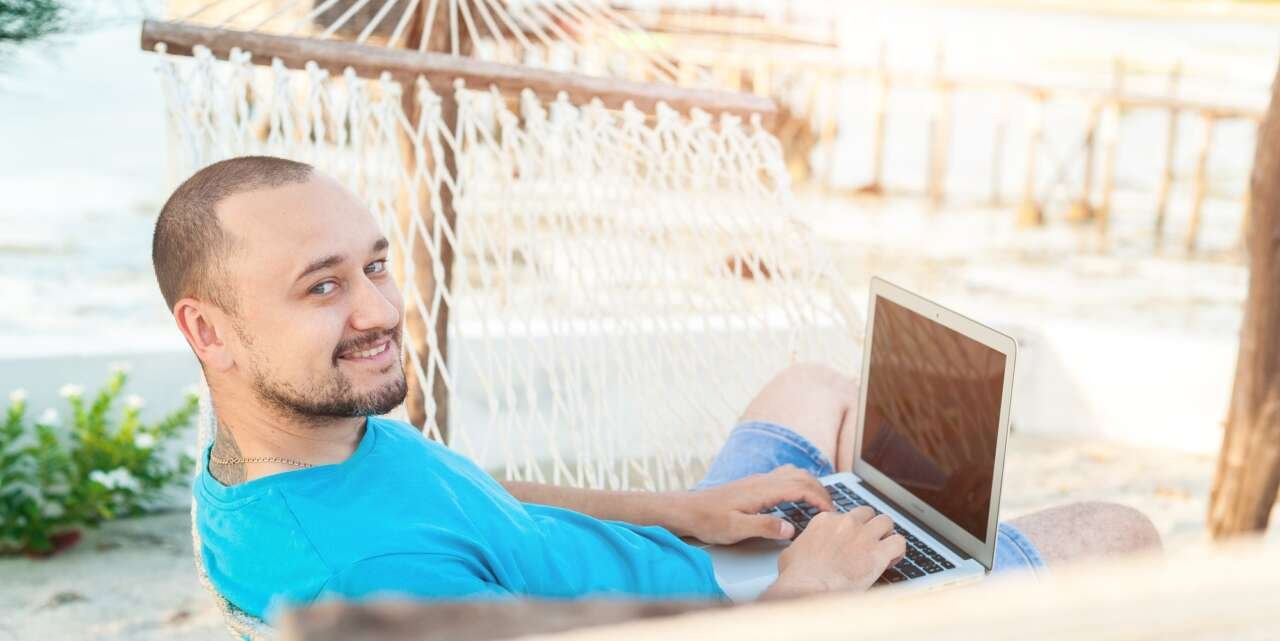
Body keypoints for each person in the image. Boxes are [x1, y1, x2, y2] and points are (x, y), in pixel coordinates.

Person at [152, 156, 1161, 622]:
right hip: (746, 605)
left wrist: (683, 506)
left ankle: (915, 544)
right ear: (209, 330)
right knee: (1115, 534)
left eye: (374, 263)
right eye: (321, 285)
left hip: (683, 555)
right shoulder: (365, 583)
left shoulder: (297, 443)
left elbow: (477, 497)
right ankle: (926, 571)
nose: (377, 309)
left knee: (813, 383)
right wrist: (806, 592)